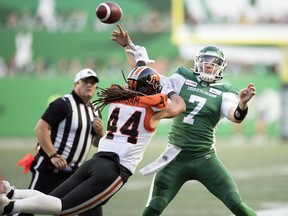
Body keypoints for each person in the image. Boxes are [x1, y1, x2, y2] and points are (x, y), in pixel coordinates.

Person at [0, 63, 186, 215]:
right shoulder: (153, 110)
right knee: (62, 208)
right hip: (114, 168)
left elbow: (136, 83)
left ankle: (11, 192)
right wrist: (170, 90)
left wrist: (131, 51)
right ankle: (9, 207)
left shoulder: (116, 99)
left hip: (95, 160)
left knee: (53, 198)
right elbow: (180, 106)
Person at [111, 24, 257, 216]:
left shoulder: (224, 91)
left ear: (220, 67)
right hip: (175, 156)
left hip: (205, 157)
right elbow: (144, 77)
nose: (208, 65)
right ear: (198, 62)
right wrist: (128, 45)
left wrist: (243, 104)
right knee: (154, 206)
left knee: (235, 203)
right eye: (205, 61)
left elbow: (235, 116)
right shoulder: (181, 77)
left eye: (213, 62)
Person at [17, 68, 105, 216]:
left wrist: (101, 133)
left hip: (77, 172)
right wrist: (53, 155)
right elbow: (41, 129)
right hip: (51, 168)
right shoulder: (63, 104)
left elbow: (96, 143)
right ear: (75, 84)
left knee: (91, 207)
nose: (89, 85)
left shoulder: (95, 110)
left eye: (92, 83)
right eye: (85, 82)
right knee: (27, 208)